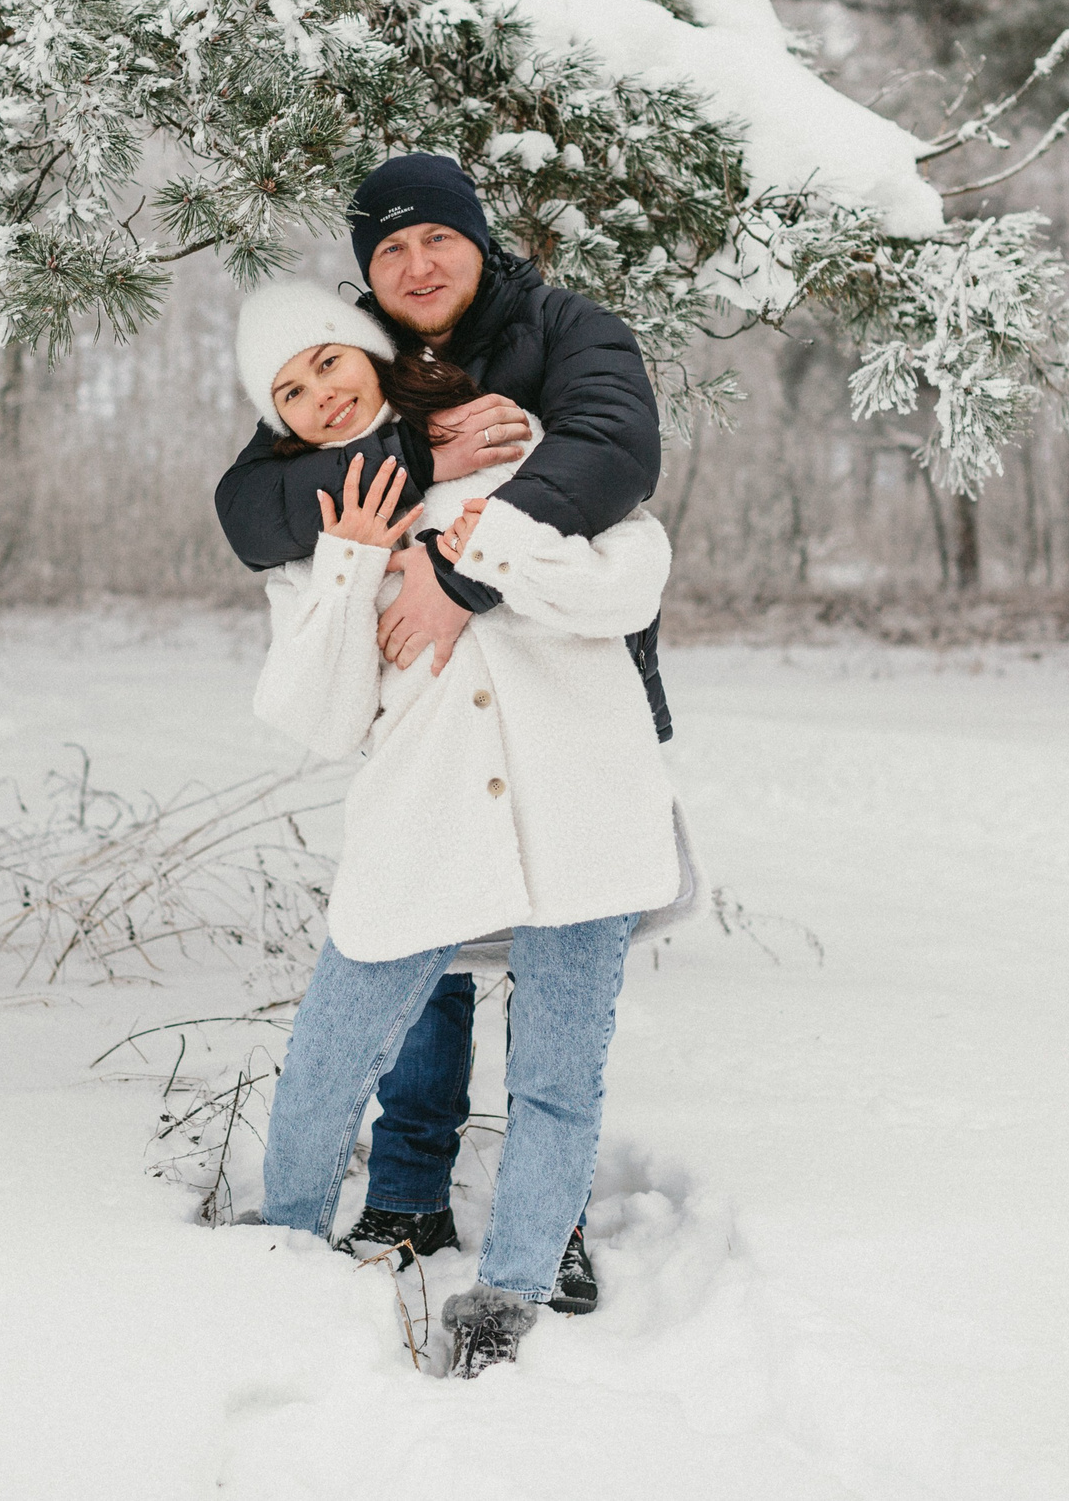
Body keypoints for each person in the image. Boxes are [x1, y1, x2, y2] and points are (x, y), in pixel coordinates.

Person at [214, 156, 670, 1313]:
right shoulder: (349, 434)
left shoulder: (559, 351)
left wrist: (459, 561)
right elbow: (253, 514)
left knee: (559, 1055)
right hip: (426, 778)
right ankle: (360, 1221)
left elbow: (620, 489)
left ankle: (529, 1256)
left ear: (479, 240)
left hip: (572, 751)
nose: (416, 265)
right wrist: (389, 512)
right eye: (387, 250)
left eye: (437, 240)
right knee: (380, 1021)